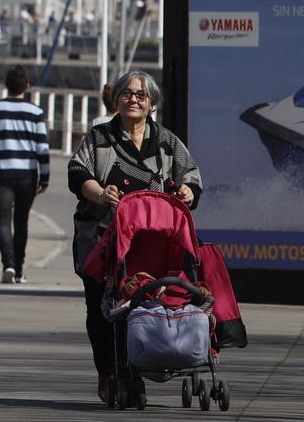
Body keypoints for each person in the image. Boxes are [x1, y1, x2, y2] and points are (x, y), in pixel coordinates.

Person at [66, 67, 203, 404]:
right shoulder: (99, 138)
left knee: (148, 301)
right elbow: (77, 170)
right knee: (101, 307)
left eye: (141, 95)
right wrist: (98, 193)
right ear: (116, 100)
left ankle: (143, 363)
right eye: (126, 93)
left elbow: (193, 177)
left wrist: (187, 190)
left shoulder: (168, 142)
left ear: (151, 103)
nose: (133, 100)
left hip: (150, 243)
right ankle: (109, 371)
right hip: (101, 237)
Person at [0, 65, 51, 284]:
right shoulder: (35, 112)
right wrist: (44, 177)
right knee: (22, 222)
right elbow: (42, 148)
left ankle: (7, 264)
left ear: (6, 85)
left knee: (3, 221)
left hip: (1, 173)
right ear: (27, 86)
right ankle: (18, 269)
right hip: (27, 174)